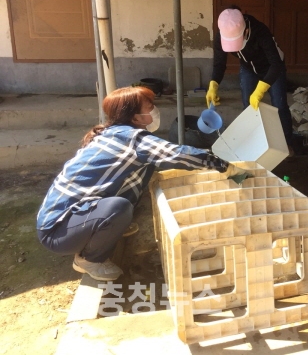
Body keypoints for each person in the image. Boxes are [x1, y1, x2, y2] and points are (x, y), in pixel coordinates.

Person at [37, 86, 245, 281]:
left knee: (146, 169)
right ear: (136, 117)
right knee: (118, 208)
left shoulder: (113, 133)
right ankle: (88, 260)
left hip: (71, 219)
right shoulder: (133, 139)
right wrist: (223, 165)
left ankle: (105, 226)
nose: (155, 110)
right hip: (58, 231)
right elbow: (178, 154)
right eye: (150, 107)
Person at [207, 6, 294, 151]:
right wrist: (213, 85)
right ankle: (253, 145)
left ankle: (286, 144)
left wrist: (260, 90)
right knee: (248, 106)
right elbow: (219, 63)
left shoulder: (260, 31)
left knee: (279, 106)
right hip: (248, 68)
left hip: (272, 68)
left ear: (246, 31)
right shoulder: (222, 34)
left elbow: (276, 64)